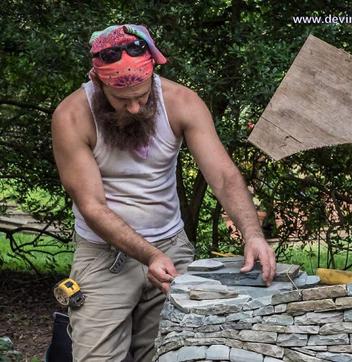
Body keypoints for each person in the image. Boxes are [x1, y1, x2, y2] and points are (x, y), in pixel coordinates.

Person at [51, 24, 276, 361]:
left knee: (175, 353)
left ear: (153, 72)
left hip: (171, 249)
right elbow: (92, 206)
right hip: (103, 256)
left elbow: (224, 176)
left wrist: (252, 234)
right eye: (122, 100)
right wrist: (150, 256)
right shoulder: (71, 117)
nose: (135, 108)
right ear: (98, 82)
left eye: (142, 96)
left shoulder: (182, 102)